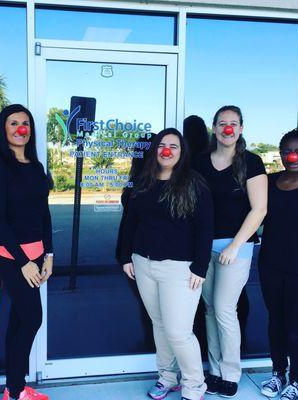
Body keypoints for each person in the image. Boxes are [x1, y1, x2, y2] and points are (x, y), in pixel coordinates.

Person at [121, 128, 214, 400]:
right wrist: (127, 256)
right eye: (162, 145)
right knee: (159, 325)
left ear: (182, 152)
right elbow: (131, 222)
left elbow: (205, 228)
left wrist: (200, 266)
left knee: (179, 332)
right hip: (144, 264)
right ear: (155, 150)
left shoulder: (195, 184)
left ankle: (195, 385)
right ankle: (167, 378)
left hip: (180, 270)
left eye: (174, 146)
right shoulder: (143, 182)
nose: (167, 150)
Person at [194, 105, 267, 397]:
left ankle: (231, 373)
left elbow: (259, 209)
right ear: (214, 128)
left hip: (235, 249)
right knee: (210, 309)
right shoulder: (200, 162)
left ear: (240, 128)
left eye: (233, 123)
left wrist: (236, 246)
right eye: (222, 123)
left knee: (225, 310)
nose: (228, 128)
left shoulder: (251, 161)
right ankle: (214, 371)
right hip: (202, 248)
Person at [0, 104, 53, 400]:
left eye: (25, 123)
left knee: (19, 320)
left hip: (36, 256)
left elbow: (44, 214)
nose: (20, 128)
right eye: (14, 123)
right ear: (4, 129)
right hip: (11, 257)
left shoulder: (36, 167)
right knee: (32, 318)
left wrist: (48, 255)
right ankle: (15, 389)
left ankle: (14, 389)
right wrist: (24, 262)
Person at [258, 129, 298, 400]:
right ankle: (278, 374)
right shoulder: (268, 182)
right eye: (287, 151)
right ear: (280, 154)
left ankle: (297, 380)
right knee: (275, 321)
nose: (293, 156)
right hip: (271, 264)